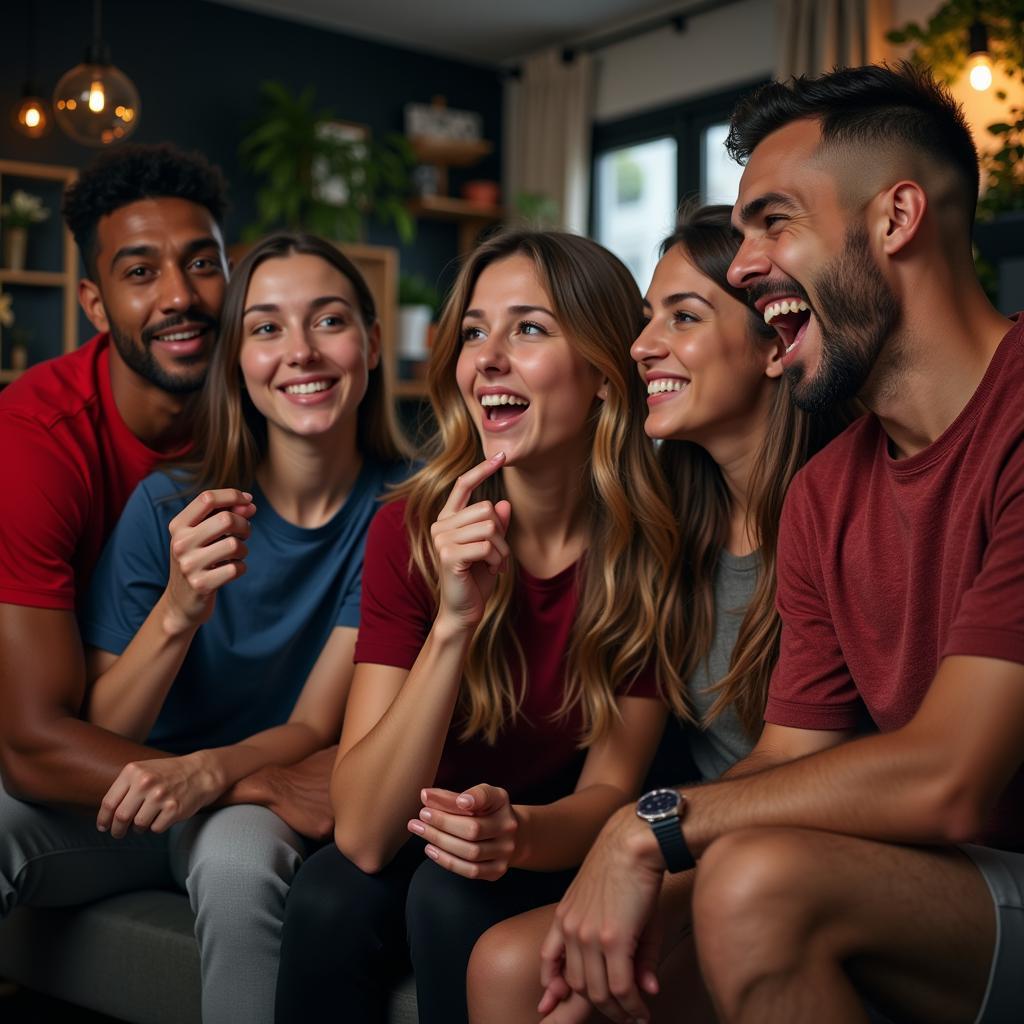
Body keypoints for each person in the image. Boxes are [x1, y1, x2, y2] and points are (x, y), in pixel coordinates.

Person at [535, 61, 1024, 1024]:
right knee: (527, 968)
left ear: (895, 219)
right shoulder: (827, 492)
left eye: (776, 221)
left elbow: (953, 777)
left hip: (984, 862)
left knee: (755, 885)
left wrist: (654, 823)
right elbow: (793, 753)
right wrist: (626, 854)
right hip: (938, 878)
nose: (747, 261)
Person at [274, 229, 685, 1024]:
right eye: (473, 332)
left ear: (604, 372)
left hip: (554, 834)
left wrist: (519, 836)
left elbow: (610, 790)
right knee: (328, 894)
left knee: (449, 898)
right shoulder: (408, 529)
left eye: (528, 328)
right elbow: (361, 832)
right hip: (417, 823)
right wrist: (455, 622)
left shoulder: (651, 546)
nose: (487, 357)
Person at [466, 204, 854, 1023]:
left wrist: (646, 839)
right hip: (700, 845)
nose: (642, 345)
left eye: (681, 316)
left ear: (774, 348)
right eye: (647, 318)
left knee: (540, 986)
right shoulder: (672, 525)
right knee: (506, 964)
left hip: (801, 855)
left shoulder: (835, 514)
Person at [0, 148, 339, 1023]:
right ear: (93, 302)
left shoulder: (299, 429)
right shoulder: (39, 439)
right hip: (104, 766)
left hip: (215, 771)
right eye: (139, 272)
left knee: (235, 860)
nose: (180, 296)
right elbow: (35, 743)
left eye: (201, 263)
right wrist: (236, 778)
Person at [75, 231, 410, 1020]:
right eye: (265, 328)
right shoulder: (165, 505)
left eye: (328, 321)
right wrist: (180, 609)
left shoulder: (403, 513)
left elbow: (315, 723)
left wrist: (208, 774)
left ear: (370, 342)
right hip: (130, 801)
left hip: (258, 804)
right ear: (235, 359)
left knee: (234, 859)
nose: (299, 352)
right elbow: (107, 726)